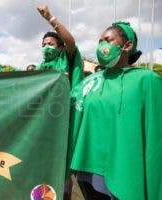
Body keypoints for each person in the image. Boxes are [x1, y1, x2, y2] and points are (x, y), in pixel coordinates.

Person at [69, 21, 162, 200]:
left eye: (107, 40)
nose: (101, 45)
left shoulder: (147, 81)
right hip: (87, 168)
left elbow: (156, 135)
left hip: (125, 170)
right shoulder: (90, 82)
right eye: (99, 41)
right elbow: (67, 108)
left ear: (127, 46)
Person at [36, 5, 84, 88]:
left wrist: (50, 18)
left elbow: (70, 42)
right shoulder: (40, 67)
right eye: (44, 45)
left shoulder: (64, 59)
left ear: (60, 47)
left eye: (50, 44)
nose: (46, 47)